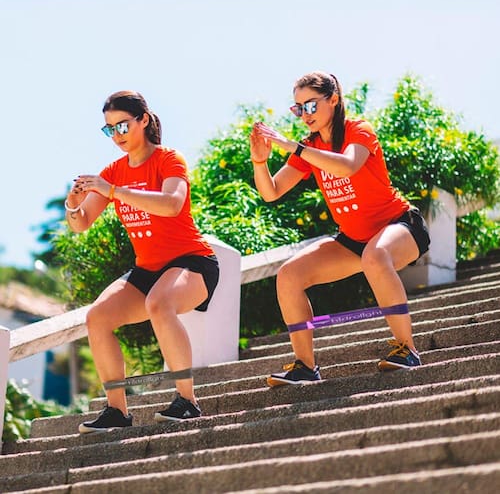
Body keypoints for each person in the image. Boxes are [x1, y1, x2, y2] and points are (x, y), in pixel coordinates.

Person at [249, 71, 430, 386]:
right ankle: (306, 367)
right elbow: (271, 192)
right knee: (289, 275)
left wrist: (293, 147)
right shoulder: (309, 147)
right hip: (353, 240)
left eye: (311, 105)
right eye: (298, 108)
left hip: (401, 226)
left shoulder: (358, 130)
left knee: (375, 256)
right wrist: (260, 162)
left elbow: (347, 166)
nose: (305, 115)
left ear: (333, 100)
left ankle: (408, 350)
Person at [65, 91, 219, 433]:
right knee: (97, 318)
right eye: (109, 129)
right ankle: (117, 412)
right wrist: (72, 204)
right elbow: (81, 223)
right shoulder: (113, 172)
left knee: (159, 303)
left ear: (144, 120)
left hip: (193, 262)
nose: (117, 135)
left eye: (122, 125)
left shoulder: (168, 159)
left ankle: (188, 401)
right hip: (147, 269)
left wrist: (114, 190)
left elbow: (172, 204)